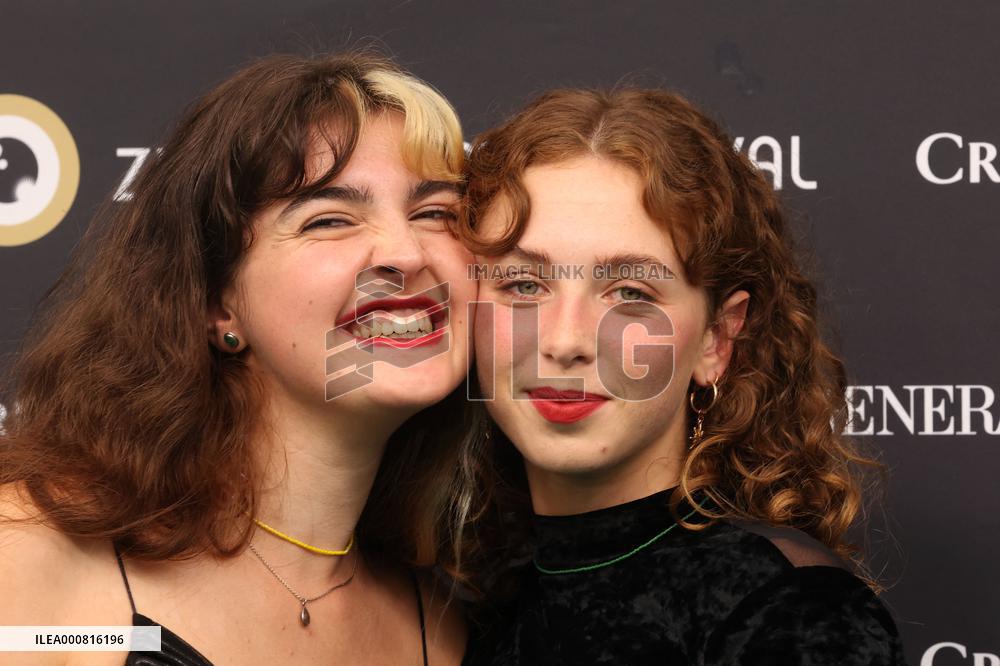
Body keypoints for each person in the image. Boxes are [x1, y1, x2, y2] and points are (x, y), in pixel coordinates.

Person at [0, 52, 474, 665]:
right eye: (329, 219)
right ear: (216, 305)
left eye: (435, 213)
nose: (406, 253)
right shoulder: (30, 561)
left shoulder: (437, 633)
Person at [455, 88, 906, 664]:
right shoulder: (466, 610)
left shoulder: (789, 611)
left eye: (630, 293)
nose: (564, 341)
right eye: (523, 285)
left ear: (716, 339)